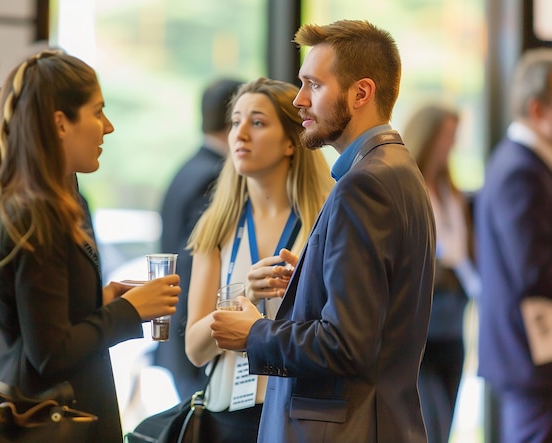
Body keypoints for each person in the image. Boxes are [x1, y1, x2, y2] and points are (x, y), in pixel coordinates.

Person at [209, 20, 436, 443]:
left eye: (313, 85)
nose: (298, 100)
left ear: (361, 93)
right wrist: (312, 274)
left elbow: (346, 345)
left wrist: (253, 333)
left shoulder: (363, 184)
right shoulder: (399, 169)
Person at [0, 50, 181, 443]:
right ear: (61, 123)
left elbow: (41, 320)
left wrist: (104, 299)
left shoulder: (35, 200)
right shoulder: (34, 213)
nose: (108, 127)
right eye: (97, 112)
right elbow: (50, 353)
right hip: (53, 423)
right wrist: (130, 310)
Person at [185, 77, 333, 442]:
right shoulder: (217, 226)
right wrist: (244, 297)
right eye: (235, 121)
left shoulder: (324, 221)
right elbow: (195, 349)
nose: (240, 134)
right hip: (228, 417)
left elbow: (342, 333)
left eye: (257, 122)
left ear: (290, 142)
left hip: (301, 412)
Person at [476, 48, 552, 443]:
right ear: (538, 109)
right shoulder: (520, 169)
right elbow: (533, 268)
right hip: (529, 351)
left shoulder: (527, 163)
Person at [155, 78, 242, 400]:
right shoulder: (216, 177)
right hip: (192, 335)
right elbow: (195, 261)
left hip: (178, 331)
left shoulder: (186, 169)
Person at [403, 104, 480, 443]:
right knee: (427, 421)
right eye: (446, 135)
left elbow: (463, 252)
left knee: (446, 417)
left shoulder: (453, 191)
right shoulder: (408, 189)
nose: (451, 143)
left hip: (453, 318)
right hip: (423, 322)